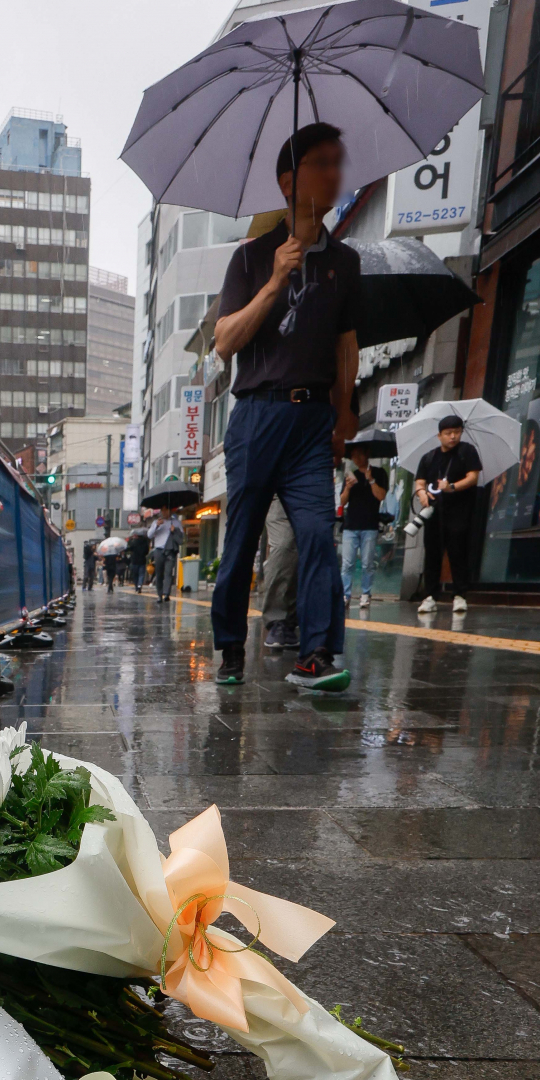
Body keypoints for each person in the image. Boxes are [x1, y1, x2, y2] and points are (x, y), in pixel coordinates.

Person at [210, 121, 360, 692]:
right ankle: (230, 648)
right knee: (241, 540)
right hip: (257, 416)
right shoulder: (251, 258)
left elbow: (346, 344)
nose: (334, 173)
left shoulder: (345, 262)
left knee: (318, 536)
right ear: (288, 181)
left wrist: (344, 412)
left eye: (338, 162)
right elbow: (225, 342)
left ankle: (317, 653)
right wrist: (274, 281)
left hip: (312, 421)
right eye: (321, 163)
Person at [413, 414, 482, 615]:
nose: (453, 436)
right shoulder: (429, 457)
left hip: (459, 510)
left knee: (458, 551)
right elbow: (419, 482)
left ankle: (460, 595)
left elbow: (473, 477)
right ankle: (430, 596)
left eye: (457, 432)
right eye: (448, 433)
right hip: (434, 511)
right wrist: (422, 494)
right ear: (439, 435)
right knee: (432, 553)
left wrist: (452, 487)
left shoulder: (467, 451)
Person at [340, 445, 388, 608]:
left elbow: (381, 496)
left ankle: (366, 593)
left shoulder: (379, 473)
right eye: (353, 456)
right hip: (350, 525)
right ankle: (345, 595)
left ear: (367, 454)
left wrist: (371, 480)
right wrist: (348, 487)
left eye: (359, 454)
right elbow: (342, 501)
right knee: (347, 563)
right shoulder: (351, 475)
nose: (356, 458)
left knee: (368, 563)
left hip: (370, 525)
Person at [260, 497, 299, 651]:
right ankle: (277, 620)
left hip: (315, 490)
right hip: (280, 490)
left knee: (312, 546)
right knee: (284, 544)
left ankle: (295, 621)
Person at [151, 510, 183, 603]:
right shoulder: (156, 522)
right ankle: (159, 594)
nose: (164, 512)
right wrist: (157, 525)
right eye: (163, 510)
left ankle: (166, 594)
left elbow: (181, 538)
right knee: (159, 573)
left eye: (166, 510)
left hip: (170, 550)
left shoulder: (176, 522)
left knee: (168, 573)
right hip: (159, 550)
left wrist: (174, 530)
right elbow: (149, 535)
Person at [128, 524, 151, 592]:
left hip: (134, 561)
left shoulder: (134, 542)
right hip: (142, 560)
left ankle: (136, 586)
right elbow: (147, 551)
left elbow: (130, 548)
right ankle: (140, 585)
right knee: (141, 574)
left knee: (135, 574)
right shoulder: (145, 542)